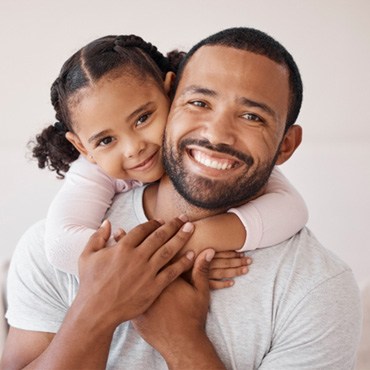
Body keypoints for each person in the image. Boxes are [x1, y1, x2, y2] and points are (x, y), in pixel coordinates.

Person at [2, 27, 361, 369]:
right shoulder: (54, 247)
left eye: (252, 116)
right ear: (173, 98)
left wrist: (182, 340)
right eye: (200, 102)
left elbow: (292, 209)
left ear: (286, 145)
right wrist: (96, 309)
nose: (217, 134)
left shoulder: (319, 289)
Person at [30, 35, 307, 278]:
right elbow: (61, 245)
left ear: (170, 92)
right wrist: (171, 261)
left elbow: (292, 210)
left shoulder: (213, 153)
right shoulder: (93, 171)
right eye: (106, 140)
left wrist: (197, 242)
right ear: (83, 148)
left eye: (142, 119)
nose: (133, 147)